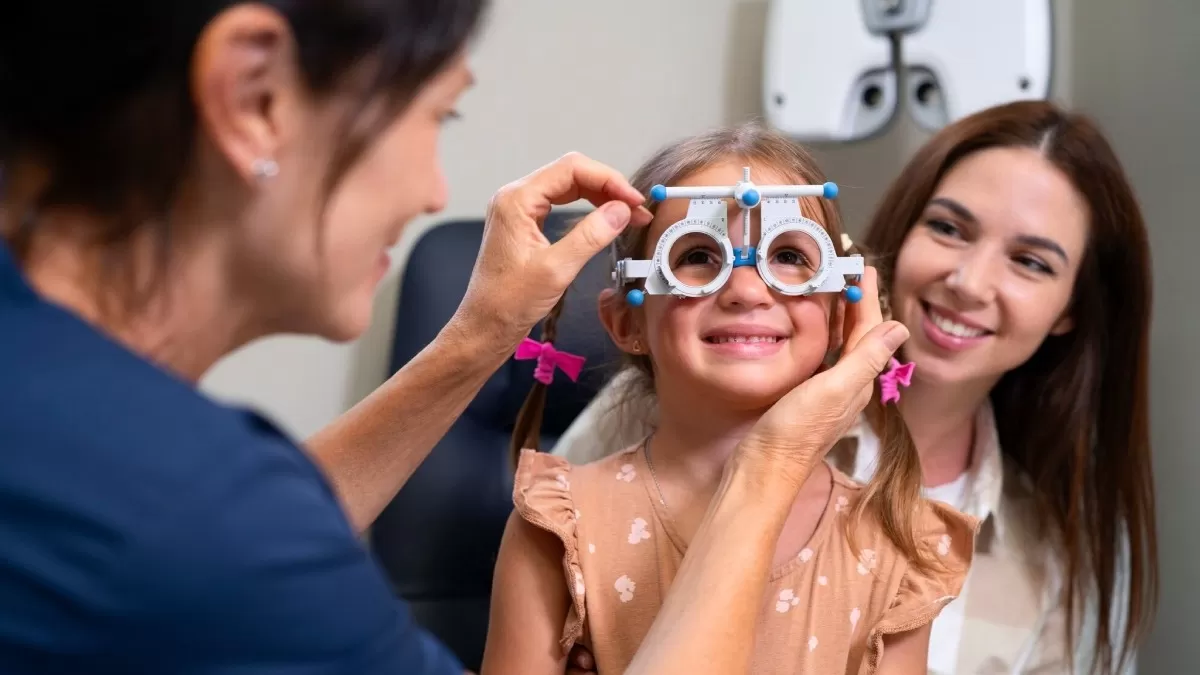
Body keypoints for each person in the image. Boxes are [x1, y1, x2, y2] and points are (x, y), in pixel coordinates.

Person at [0, 2, 912, 674]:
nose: (437, 192)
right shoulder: (196, 519)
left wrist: (480, 333)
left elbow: (215, 545)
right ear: (255, 96)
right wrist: (775, 458)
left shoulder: (99, 462)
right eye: (437, 115)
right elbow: (219, 545)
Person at [554, 101, 1158, 674]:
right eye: (948, 228)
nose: (970, 283)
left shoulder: (1056, 554)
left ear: (1071, 309)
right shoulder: (697, 393)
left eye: (1031, 262)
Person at [481, 124, 978, 675]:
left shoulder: (893, 545)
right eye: (697, 256)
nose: (745, 290)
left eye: (789, 256)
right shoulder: (559, 527)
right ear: (626, 322)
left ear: (841, 313)